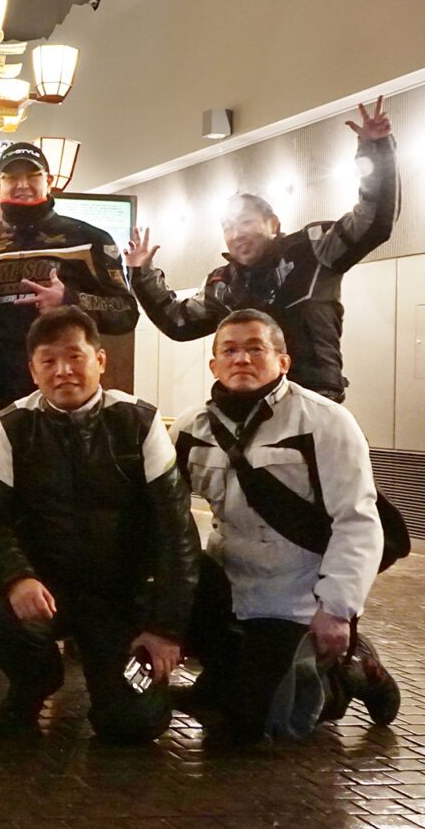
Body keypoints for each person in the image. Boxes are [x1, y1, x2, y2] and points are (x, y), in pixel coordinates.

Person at [0, 307, 203, 742]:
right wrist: (18, 577)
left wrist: (165, 629)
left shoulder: (139, 422)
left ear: (100, 360)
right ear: (33, 371)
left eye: (74, 357)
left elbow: (177, 533)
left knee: (133, 724)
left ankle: (125, 686)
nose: (63, 371)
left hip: (118, 599)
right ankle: (35, 682)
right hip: (44, 590)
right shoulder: (9, 425)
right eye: (49, 361)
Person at [172, 309, 402, 744]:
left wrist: (336, 609)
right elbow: (165, 516)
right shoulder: (190, 428)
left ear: (283, 361)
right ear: (214, 365)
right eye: (230, 350)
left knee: (262, 726)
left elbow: (356, 521)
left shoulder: (325, 422)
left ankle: (350, 672)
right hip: (229, 589)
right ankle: (224, 680)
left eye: (255, 349)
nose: (242, 359)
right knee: (227, 707)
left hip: (296, 596)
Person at [124, 100, 400, 401]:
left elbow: (373, 224)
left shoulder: (313, 249)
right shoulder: (222, 284)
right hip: (245, 404)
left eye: (246, 222)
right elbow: (178, 323)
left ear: (273, 224)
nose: (237, 234)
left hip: (313, 400)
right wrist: (141, 273)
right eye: (228, 227)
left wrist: (376, 150)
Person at [0, 141, 138, 440]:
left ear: (49, 181)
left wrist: (69, 301)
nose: (22, 185)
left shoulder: (88, 239)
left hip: (66, 391)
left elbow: (126, 313)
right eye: (12, 177)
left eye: (32, 175)